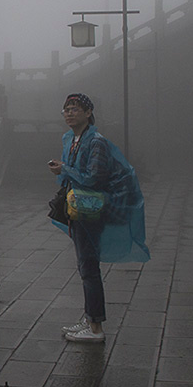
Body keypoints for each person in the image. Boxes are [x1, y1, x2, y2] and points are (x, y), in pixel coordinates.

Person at [48, 93, 150, 342]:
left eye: (75, 109)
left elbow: (94, 178)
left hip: (91, 209)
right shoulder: (72, 139)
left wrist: (65, 169)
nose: (70, 113)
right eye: (66, 109)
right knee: (85, 265)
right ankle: (90, 318)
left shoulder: (96, 142)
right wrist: (64, 169)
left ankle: (96, 328)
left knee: (89, 266)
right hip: (79, 206)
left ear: (88, 113)